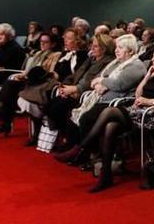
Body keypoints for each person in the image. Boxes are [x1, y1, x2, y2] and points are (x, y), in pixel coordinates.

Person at [55, 47, 154, 192]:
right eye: (153, 56)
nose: (152, 59)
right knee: (110, 126)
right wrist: (147, 76)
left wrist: (149, 101)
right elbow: (139, 94)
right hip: (139, 113)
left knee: (110, 111)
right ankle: (106, 174)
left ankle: (81, 148)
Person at [54, 34, 147, 166]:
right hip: (101, 98)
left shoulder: (136, 66)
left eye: (120, 48)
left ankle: (86, 154)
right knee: (74, 113)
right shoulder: (116, 63)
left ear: (130, 51)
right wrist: (100, 83)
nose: (116, 50)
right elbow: (96, 79)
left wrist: (103, 82)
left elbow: (118, 84)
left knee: (87, 118)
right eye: (116, 47)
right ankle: (77, 151)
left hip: (118, 104)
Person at [0, 32, 61, 135]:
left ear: (53, 44)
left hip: (40, 82)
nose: (42, 44)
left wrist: (27, 75)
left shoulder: (56, 55)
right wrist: (23, 75)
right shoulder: (38, 54)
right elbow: (29, 70)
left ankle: (2, 112)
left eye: (45, 42)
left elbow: (49, 72)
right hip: (30, 80)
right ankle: (4, 121)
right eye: (41, 42)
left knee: (12, 86)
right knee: (12, 83)